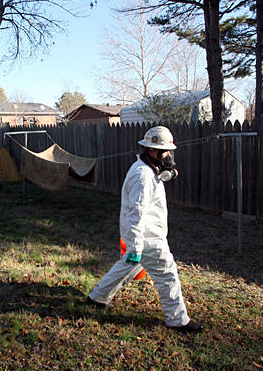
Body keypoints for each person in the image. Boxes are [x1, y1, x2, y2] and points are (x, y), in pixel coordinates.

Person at [86, 126, 203, 333]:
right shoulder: (143, 176)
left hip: (146, 235)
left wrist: (163, 175)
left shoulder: (147, 169)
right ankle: (177, 320)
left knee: (128, 267)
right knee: (168, 274)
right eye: (165, 151)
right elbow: (136, 213)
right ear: (152, 151)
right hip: (148, 238)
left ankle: (98, 297)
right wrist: (135, 246)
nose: (168, 156)